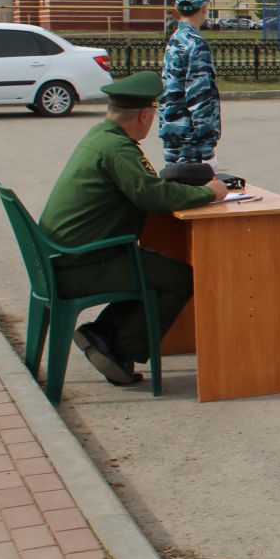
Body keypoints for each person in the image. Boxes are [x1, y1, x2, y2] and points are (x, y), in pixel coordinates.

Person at [39, 71, 227, 386]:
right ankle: (117, 347)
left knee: (152, 267)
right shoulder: (118, 149)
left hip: (67, 258)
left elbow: (145, 188)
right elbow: (152, 196)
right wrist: (210, 192)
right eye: (153, 114)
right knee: (178, 278)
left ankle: (103, 333)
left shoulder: (101, 137)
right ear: (143, 115)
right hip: (82, 265)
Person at [158, 0, 220, 165]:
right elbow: (199, 97)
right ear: (204, 8)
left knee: (175, 187)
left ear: (177, 8)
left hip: (172, 131)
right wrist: (207, 150)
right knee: (192, 191)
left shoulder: (175, 39)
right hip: (191, 140)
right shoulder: (196, 44)